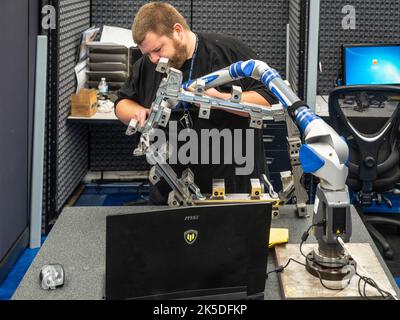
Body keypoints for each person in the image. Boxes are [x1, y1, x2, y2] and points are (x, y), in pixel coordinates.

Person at [115, 2, 278, 204]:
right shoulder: (148, 64)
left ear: (177, 31)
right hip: (171, 194)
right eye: (147, 53)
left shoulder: (228, 52)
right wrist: (138, 112)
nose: (154, 59)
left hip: (233, 193)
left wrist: (219, 100)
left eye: (157, 49)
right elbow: (122, 103)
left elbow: (268, 101)